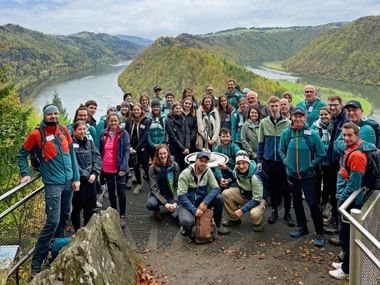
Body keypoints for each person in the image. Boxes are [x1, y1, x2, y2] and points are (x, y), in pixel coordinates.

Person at [17, 104, 80, 275]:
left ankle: (56, 250)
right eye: (49, 114)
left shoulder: (64, 130)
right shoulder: (37, 134)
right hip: (53, 183)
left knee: (65, 215)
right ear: (45, 116)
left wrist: (76, 178)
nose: (53, 116)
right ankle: (37, 261)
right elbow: (21, 154)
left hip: (69, 183)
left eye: (55, 113)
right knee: (52, 220)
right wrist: (25, 173)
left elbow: (71, 155)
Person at [328, 122, 376, 280]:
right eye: (344, 135)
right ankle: (345, 264)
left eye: (350, 135)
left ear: (357, 136)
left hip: (352, 201)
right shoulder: (356, 148)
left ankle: (347, 270)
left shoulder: (356, 155)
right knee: (347, 234)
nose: (346, 138)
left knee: (349, 235)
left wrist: (341, 201)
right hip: (351, 197)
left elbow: (354, 184)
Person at [279, 107, 326, 247]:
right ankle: (302, 227)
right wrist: (286, 162)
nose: (298, 119)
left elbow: (321, 154)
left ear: (305, 118)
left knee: (313, 204)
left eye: (301, 116)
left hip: (309, 176)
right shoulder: (287, 133)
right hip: (292, 176)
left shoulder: (312, 134)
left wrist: (311, 166)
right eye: (295, 116)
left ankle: (319, 233)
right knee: (297, 203)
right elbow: (281, 150)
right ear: (292, 118)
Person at [257, 96, 294, 226]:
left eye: (276, 105)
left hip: (282, 161)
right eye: (271, 106)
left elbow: (290, 144)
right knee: (272, 187)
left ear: (280, 106)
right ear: (268, 107)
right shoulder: (264, 123)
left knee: (286, 188)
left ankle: (287, 212)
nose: (274, 108)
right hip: (269, 160)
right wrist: (259, 160)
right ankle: (274, 211)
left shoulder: (288, 123)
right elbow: (260, 143)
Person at [177, 151, 230, 236]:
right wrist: (194, 210)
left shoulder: (207, 171)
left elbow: (216, 188)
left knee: (219, 198)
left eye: (205, 162)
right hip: (189, 204)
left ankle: (218, 225)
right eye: (201, 161)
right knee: (187, 222)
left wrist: (205, 202)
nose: (203, 164)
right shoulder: (185, 174)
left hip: (202, 202)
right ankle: (184, 225)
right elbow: (181, 196)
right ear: (196, 160)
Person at [221, 150, 266, 231]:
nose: (241, 166)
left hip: (258, 198)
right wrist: (227, 176)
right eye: (238, 163)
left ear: (248, 163)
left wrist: (242, 210)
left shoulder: (255, 177)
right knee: (225, 193)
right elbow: (234, 176)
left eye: (243, 163)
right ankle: (234, 219)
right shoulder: (237, 169)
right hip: (245, 193)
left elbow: (257, 199)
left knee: (254, 213)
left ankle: (258, 223)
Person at [99, 113, 130, 228]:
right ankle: (114, 212)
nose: (113, 123)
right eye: (111, 121)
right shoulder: (104, 134)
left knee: (121, 192)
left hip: (119, 167)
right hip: (107, 168)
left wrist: (123, 167)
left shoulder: (123, 134)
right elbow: (101, 150)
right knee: (111, 192)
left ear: (119, 121)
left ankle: (122, 215)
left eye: (115, 121)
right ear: (108, 121)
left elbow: (126, 151)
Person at [326, 96, 349, 242]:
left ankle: (338, 226)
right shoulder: (334, 119)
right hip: (331, 161)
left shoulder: (345, 121)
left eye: (335, 105)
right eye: (330, 105)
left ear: (341, 105)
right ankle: (334, 218)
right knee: (331, 191)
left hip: (339, 163)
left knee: (337, 193)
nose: (332, 108)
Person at [71, 120, 101, 231]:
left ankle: (87, 230)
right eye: (80, 129)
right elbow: (72, 162)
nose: (82, 131)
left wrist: (94, 173)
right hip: (79, 181)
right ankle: (77, 230)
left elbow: (97, 158)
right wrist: (84, 174)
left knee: (90, 207)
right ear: (74, 131)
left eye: (84, 129)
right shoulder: (71, 145)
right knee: (77, 207)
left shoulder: (90, 143)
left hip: (91, 181)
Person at [147, 145, 180, 221]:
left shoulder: (174, 166)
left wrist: (175, 201)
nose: (163, 156)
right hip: (157, 194)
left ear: (168, 153)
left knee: (175, 215)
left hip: (170, 194)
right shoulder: (152, 168)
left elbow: (176, 185)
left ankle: (170, 206)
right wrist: (165, 203)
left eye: (165, 153)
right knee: (151, 204)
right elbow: (153, 189)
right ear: (157, 155)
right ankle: (157, 209)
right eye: (160, 154)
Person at [126, 104, 150, 194]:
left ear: (141, 110)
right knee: (135, 166)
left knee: (145, 166)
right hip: (132, 147)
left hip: (142, 147)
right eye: (135, 110)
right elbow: (127, 134)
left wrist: (137, 148)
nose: (136, 112)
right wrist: (130, 147)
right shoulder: (129, 121)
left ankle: (153, 185)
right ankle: (139, 184)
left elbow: (144, 136)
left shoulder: (145, 121)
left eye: (138, 110)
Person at [166, 102, 190, 170]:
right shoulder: (169, 121)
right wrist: (183, 148)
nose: (178, 110)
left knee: (185, 167)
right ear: (173, 109)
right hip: (175, 148)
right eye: (176, 108)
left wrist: (187, 147)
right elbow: (172, 137)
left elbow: (187, 133)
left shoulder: (184, 119)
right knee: (177, 167)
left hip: (185, 148)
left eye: (180, 108)